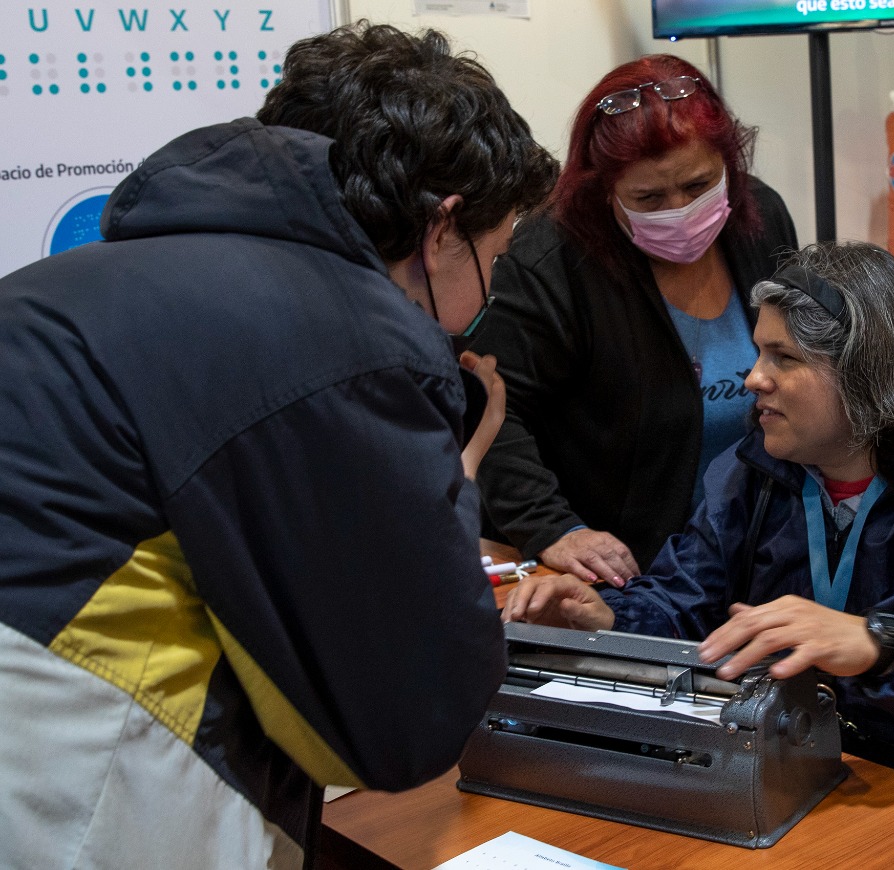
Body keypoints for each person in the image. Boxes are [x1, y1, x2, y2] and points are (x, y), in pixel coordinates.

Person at [0, 22, 557, 868]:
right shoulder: (347, 337)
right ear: (443, 229)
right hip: (81, 779)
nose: (493, 284)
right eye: (498, 253)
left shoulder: (70, 286)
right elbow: (407, 713)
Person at [503, 242, 894, 821]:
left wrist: (882, 644)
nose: (753, 378)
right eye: (759, 353)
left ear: (868, 373)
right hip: (799, 751)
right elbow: (691, 597)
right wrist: (609, 619)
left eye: (784, 357)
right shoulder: (754, 466)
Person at [471, 54, 797, 586]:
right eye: (648, 198)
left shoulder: (760, 219)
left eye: (697, 186)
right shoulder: (547, 262)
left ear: (730, 164)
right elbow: (493, 412)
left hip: (753, 550)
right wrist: (553, 528)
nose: (680, 211)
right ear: (604, 190)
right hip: (623, 568)